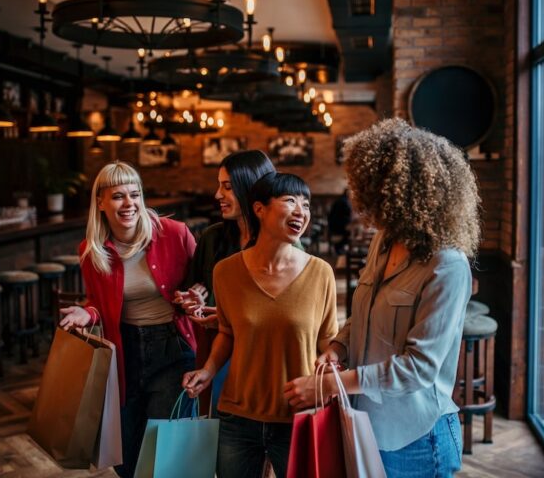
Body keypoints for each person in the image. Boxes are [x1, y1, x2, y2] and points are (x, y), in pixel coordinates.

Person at [284, 118, 481, 478]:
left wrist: (330, 384)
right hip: (366, 421)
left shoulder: (447, 265)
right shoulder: (384, 240)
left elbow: (418, 368)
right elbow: (366, 313)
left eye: (373, 191)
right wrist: (339, 347)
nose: (363, 202)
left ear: (405, 195)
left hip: (417, 436)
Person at [182, 172, 338, 478]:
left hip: (299, 416)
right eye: (290, 201)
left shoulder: (321, 273)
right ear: (259, 209)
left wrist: (331, 369)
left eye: (306, 204)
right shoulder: (226, 272)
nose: (301, 211)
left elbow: (327, 340)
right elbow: (227, 332)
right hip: (238, 415)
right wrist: (208, 371)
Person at [59, 161, 198, 478]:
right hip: (124, 354)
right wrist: (87, 311)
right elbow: (98, 300)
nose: (129, 203)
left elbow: (205, 281)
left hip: (172, 350)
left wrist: (195, 297)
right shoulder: (92, 250)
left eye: (135, 194)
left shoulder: (175, 235)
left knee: (162, 451)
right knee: (126, 457)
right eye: (118, 196)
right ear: (101, 202)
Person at [174, 150, 276, 415]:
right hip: (215, 361)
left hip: (263, 362)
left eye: (227, 187)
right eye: (219, 186)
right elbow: (187, 292)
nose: (217, 195)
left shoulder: (280, 245)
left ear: (252, 189)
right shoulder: (211, 239)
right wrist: (191, 299)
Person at [327, 188, 352, 254]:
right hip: (339, 225)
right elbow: (347, 214)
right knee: (345, 237)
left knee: (340, 241)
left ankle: (339, 251)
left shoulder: (339, 200)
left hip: (334, 225)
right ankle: (341, 252)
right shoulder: (344, 202)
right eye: (350, 193)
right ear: (347, 193)